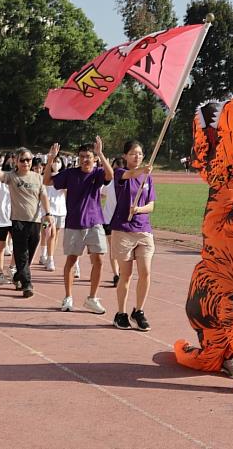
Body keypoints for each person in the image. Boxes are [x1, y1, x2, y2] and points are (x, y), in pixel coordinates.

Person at [44, 138, 112, 314]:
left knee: (99, 259)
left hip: (95, 222)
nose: (85, 160)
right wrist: (51, 159)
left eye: (88, 156)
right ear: (78, 158)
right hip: (74, 223)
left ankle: (92, 298)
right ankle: (68, 297)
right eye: (82, 156)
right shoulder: (70, 174)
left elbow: (110, 175)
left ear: (94, 158)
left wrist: (101, 154)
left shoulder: (97, 174)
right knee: (72, 260)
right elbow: (46, 181)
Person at [0, 144, 53, 298]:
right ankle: (27, 284)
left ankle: (18, 276)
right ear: (16, 161)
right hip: (18, 221)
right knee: (21, 254)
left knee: (30, 253)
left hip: (35, 221)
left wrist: (48, 213)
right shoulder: (12, 177)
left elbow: (43, 196)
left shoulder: (37, 177)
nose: (26, 163)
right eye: (22, 160)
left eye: (29, 160)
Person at [110, 140, 156, 332]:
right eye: (133, 153)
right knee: (126, 274)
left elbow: (151, 205)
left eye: (139, 153)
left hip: (143, 230)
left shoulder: (148, 178)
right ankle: (121, 313)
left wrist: (138, 209)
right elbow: (129, 174)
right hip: (123, 230)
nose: (136, 156)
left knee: (145, 272)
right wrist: (143, 170)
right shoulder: (121, 173)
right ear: (125, 156)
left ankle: (139, 311)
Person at [40, 154, 66, 272]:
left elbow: (66, 193)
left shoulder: (64, 177)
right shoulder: (46, 177)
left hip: (61, 211)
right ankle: (47, 257)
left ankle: (48, 255)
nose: (57, 164)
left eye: (59, 162)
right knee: (48, 233)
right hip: (48, 212)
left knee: (55, 235)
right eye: (55, 162)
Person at [102, 157, 124, 286]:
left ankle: (121, 272)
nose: (116, 171)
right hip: (109, 220)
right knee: (114, 249)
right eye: (114, 168)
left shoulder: (128, 182)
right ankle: (116, 274)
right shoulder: (109, 183)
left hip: (122, 221)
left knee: (121, 250)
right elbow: (100, 194)